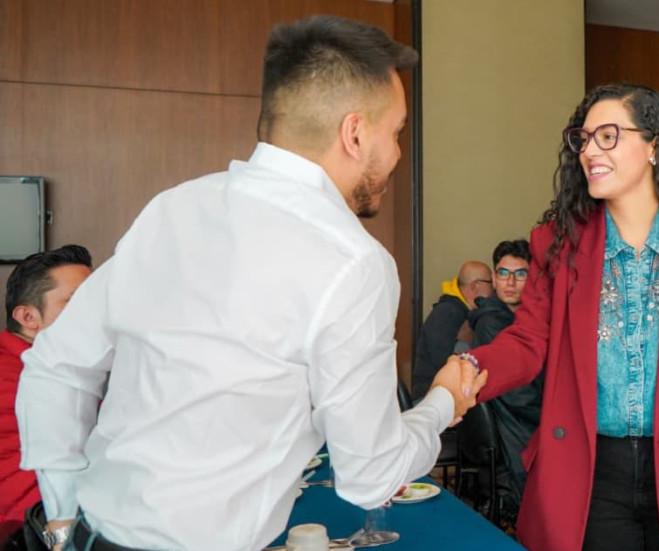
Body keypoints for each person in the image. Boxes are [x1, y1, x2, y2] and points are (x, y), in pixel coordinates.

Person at [16, 16, 484, 551]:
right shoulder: (353, 262)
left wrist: (62, 515)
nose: (398, 153)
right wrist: (444, 401)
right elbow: (371, 476)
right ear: (355, 133)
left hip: (89, 536)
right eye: (396, 132)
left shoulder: (173, 208)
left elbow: (57, 365)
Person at [452, 83, 659, 550]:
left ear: (654, 147)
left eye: (608, 136)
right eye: (582, 140)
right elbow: (527, 343)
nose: (588, 152)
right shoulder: (557, 242)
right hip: (590, 473)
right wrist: (473, 369)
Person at [1, 245, 92, 543]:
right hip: (31, 528)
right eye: (75, 301)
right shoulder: (11, 373)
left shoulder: (74, 364)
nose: (95, 313)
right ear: (28, 317)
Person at [467, 239, 543, 521]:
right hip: (514, 425)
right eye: (503, 273)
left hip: (518, 421)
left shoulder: (523, 321)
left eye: (520, 274)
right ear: (494, 279)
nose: (510, 282)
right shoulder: (491, 323)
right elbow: (519, 395)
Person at [411, 261, 492, 399]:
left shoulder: (460, 311)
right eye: (490, 282)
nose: (494, 287)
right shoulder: (449, 313)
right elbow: (443, 365)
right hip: (431, 399)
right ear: (474, 286)